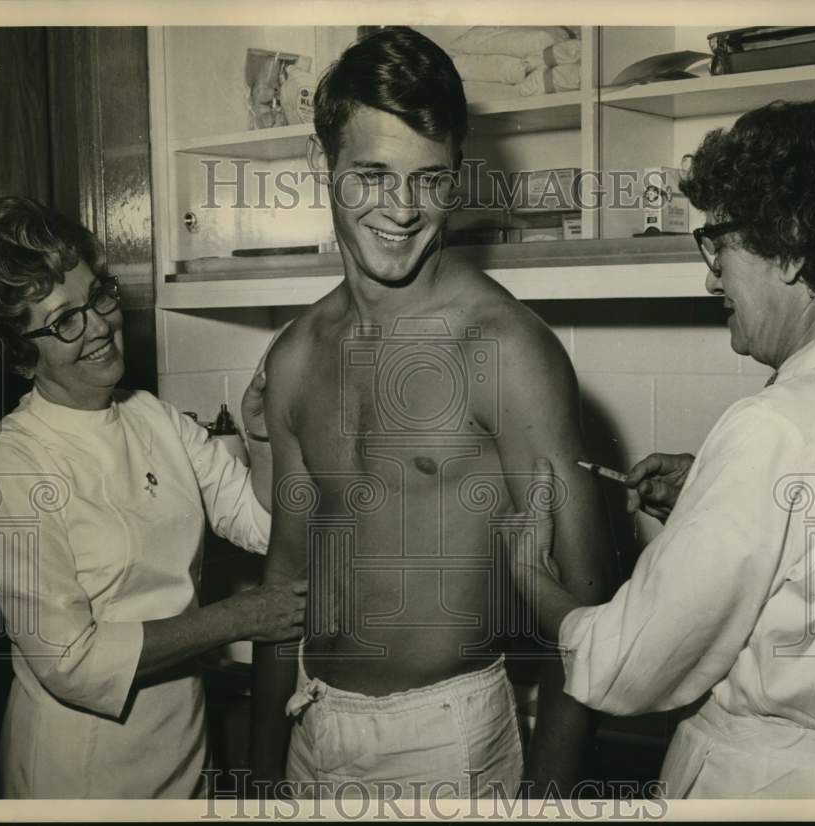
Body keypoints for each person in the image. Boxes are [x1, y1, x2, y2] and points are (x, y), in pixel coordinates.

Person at [250, 27, 614, 800]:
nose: (403, 209)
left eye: (430, 180)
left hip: (447, 741)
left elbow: (588, 614)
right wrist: (256, 778)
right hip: (311, 724)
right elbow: (283, 579)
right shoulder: (295, 354)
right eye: (372, 174)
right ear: (327, 168)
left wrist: (546, 808)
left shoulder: (508, 349)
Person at [513, 99, 815, 798]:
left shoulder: (771, 426)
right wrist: (710, 494)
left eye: (717, 245)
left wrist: (533, 582)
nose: (709, 277)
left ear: (787, 244)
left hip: (762, 789)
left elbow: (621, 668)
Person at [0, 196, 306, 798]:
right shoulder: (7, 472)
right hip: (78, 777)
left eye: (99, 296)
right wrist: (233, 619)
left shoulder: (153, 419)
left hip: (182, 753)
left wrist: (263, 436)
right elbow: (73, 663)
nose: (98, 326)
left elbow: (266, 525)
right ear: (19, 352)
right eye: (64, 321)